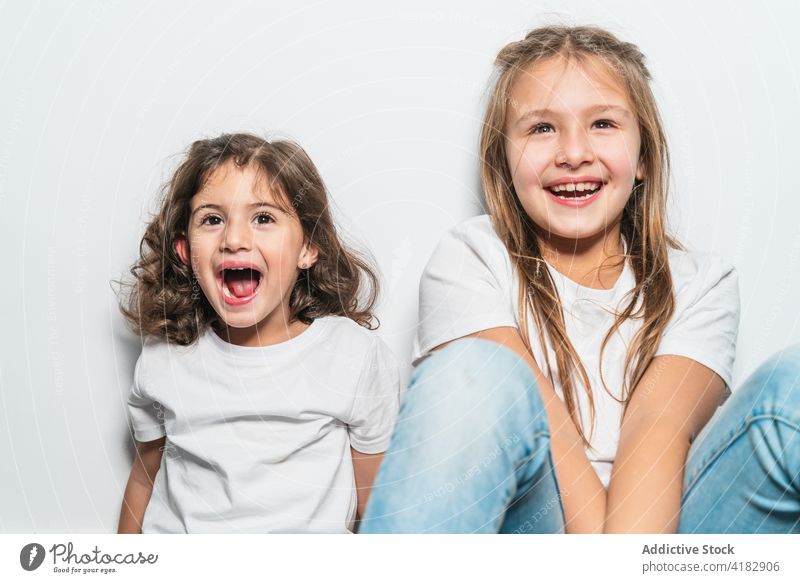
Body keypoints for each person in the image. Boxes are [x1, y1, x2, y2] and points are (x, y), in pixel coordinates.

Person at [360, 26, 800, 534]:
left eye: (603, 123)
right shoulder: (470, 257)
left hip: (659, 541)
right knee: (474, 371)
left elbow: (656, 434)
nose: (573, 152)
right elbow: (556, 441)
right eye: (541, 128)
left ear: (642, 160)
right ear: (504, 159)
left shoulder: (702, 282)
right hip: (542, 528)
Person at [116, 133, 401, 533]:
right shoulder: (164, 360)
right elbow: (144, 478)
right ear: (185, 250)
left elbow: (379, 506)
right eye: (212, 220)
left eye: (263, 217)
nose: (234, 239)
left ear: (309, 247)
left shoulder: (352, 357)